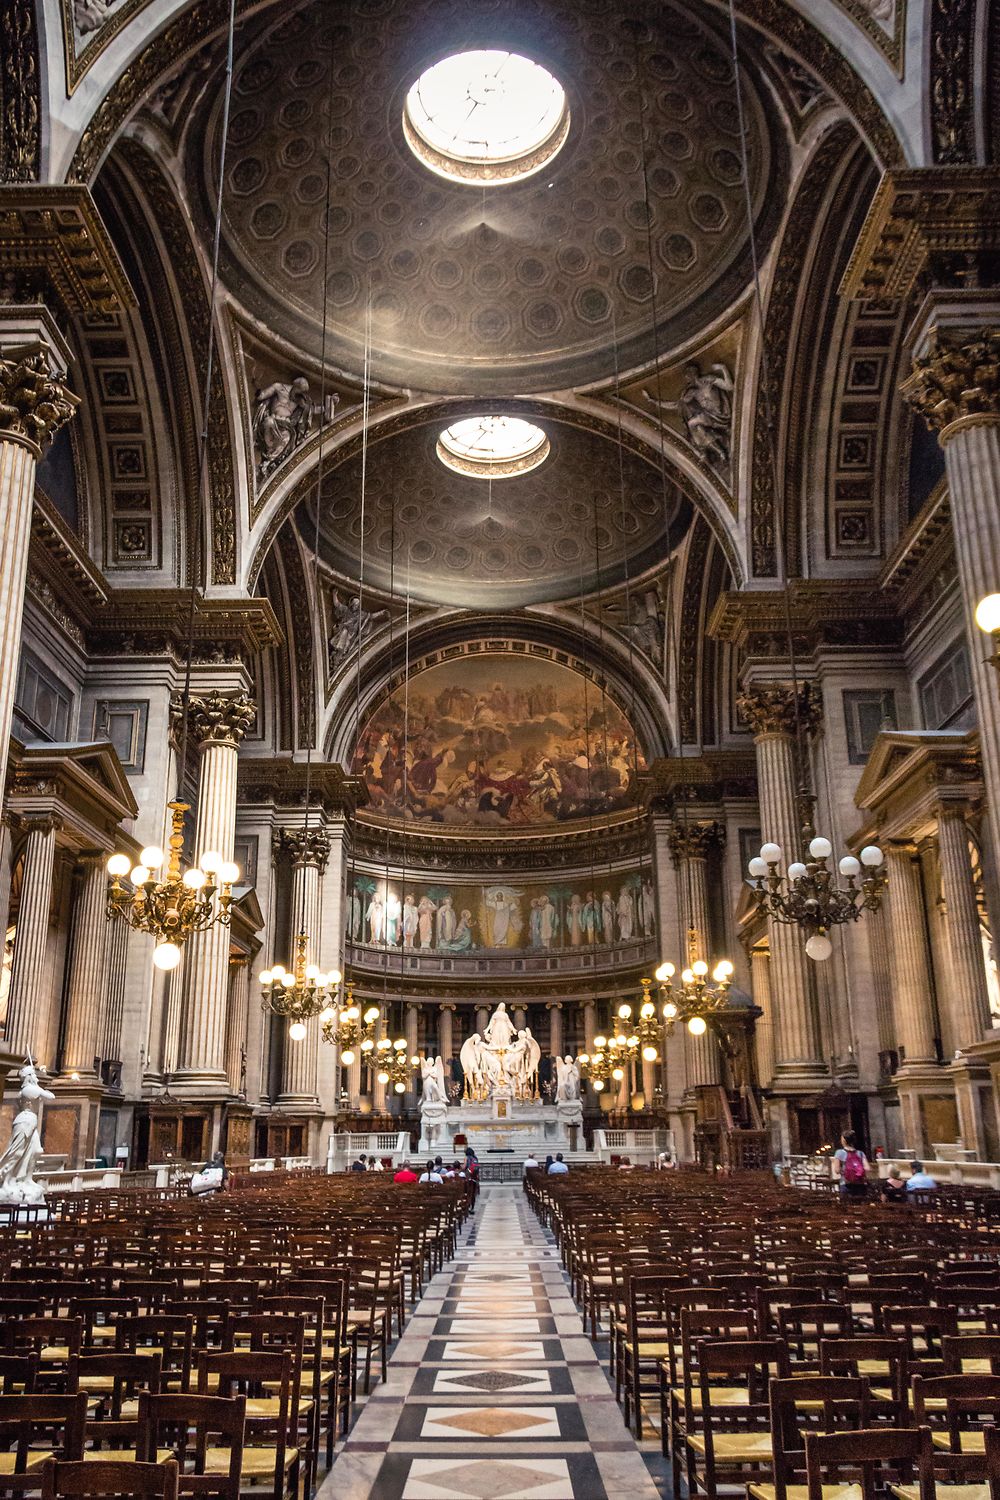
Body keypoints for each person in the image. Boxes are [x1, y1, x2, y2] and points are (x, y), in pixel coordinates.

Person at [832, 1131, 869, 1199]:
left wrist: (845, 1171)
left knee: (847, 1207)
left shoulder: (839, 1153)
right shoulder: (860, 1153)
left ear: (844, 1140)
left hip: (846, 1184)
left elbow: (837, 1170)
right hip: (860, 1184)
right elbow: (867, 1168)